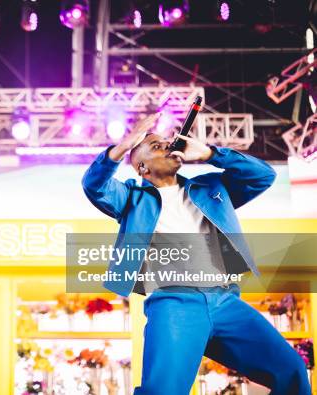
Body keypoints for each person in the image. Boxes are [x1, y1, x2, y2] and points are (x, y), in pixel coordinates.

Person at [82, 113, 311, 395]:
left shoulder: (211, 188)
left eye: (168, 142)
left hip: (226, 300)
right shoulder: (131, 198)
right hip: (174, 303)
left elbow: (263, 175)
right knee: (162, 391)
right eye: (157, 146)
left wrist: (210, 154)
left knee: (292, 372)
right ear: (142, 168)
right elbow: (94, 185)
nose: (168, 146)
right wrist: (123, 145)